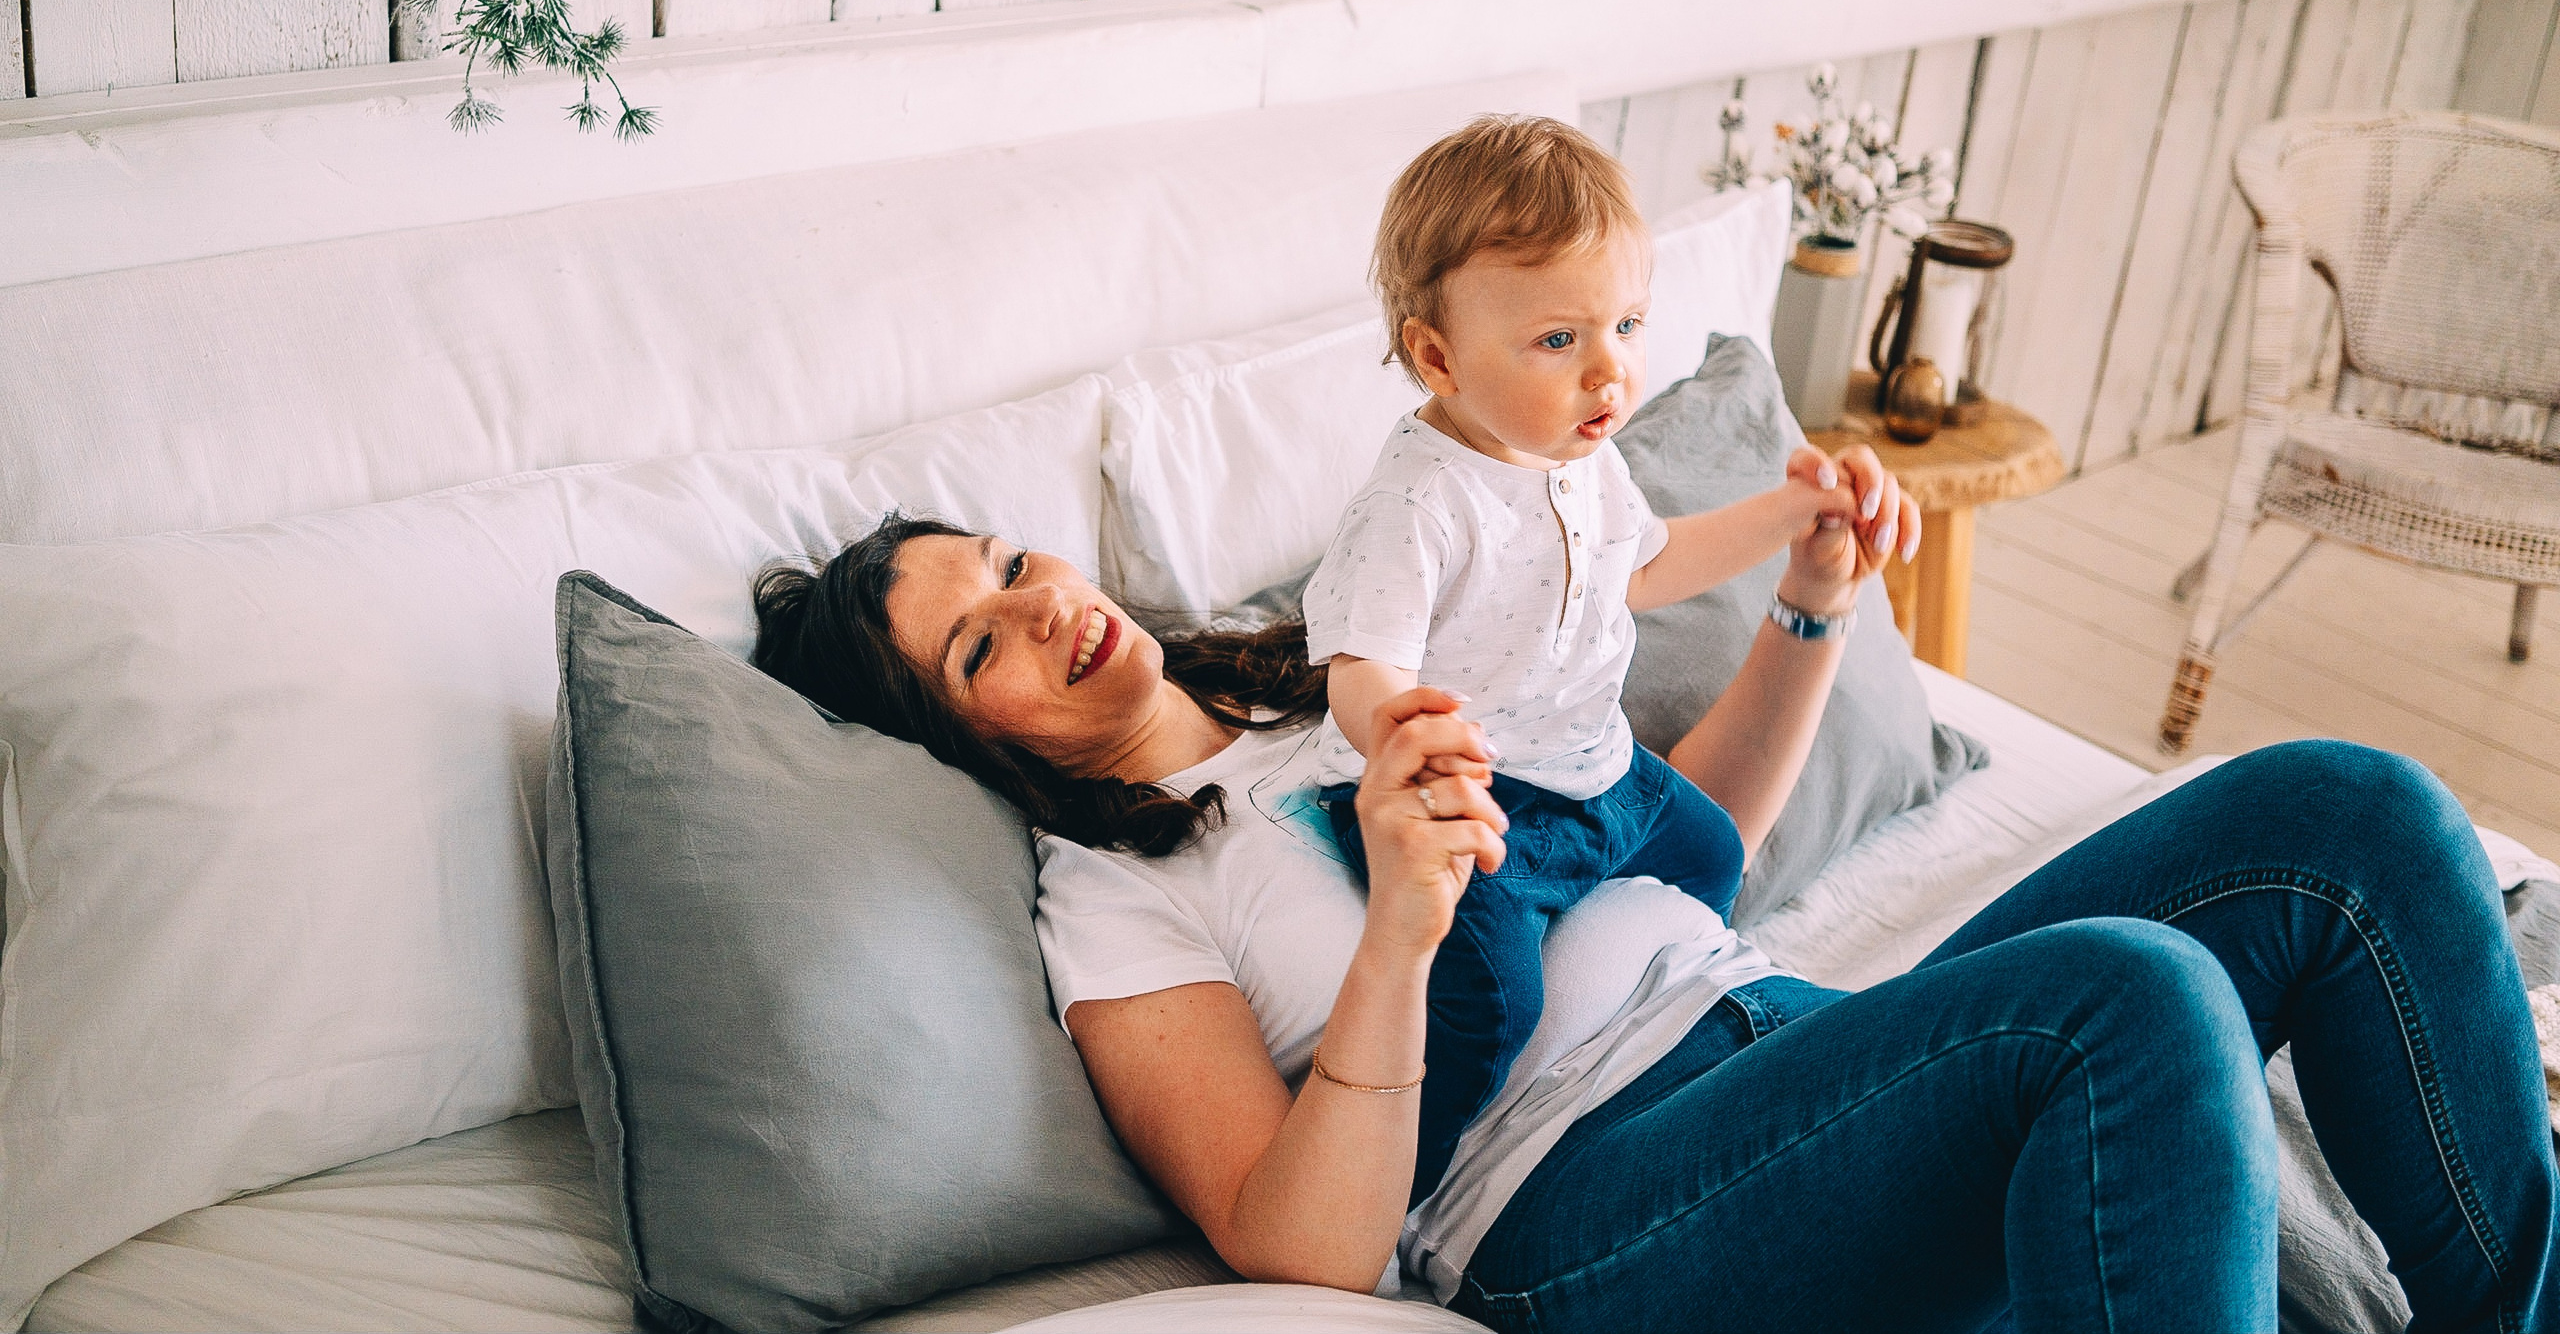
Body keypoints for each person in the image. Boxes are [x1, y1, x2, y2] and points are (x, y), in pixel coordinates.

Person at [753, 487, 2557, 1331]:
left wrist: (1812, 601)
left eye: (1008, 561)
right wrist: (1399, 934)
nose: (1036, 605)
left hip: (1789, 1037)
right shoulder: (1114, 897)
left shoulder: (1332, 670)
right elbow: (1288, 1241)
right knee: (2130, 997)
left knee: (2354, 813)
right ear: (963, 737)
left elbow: (1679, 843)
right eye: (976, 646)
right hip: (1585, 1201)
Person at [1301, 114, 1900, 1206]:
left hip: (1592, 768)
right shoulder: (1417, 502)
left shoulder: (1581, 458)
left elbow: (1650, 566)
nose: (1609, 370)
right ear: (1436, 356)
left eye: (1626, 324)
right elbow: (1359, 663)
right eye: (1557, 340)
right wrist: (1403, 734)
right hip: (1478, 809)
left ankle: (1656, 997)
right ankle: (1395, 1193)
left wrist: (1791, 512)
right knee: (1492, 1005)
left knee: (1711, 853)